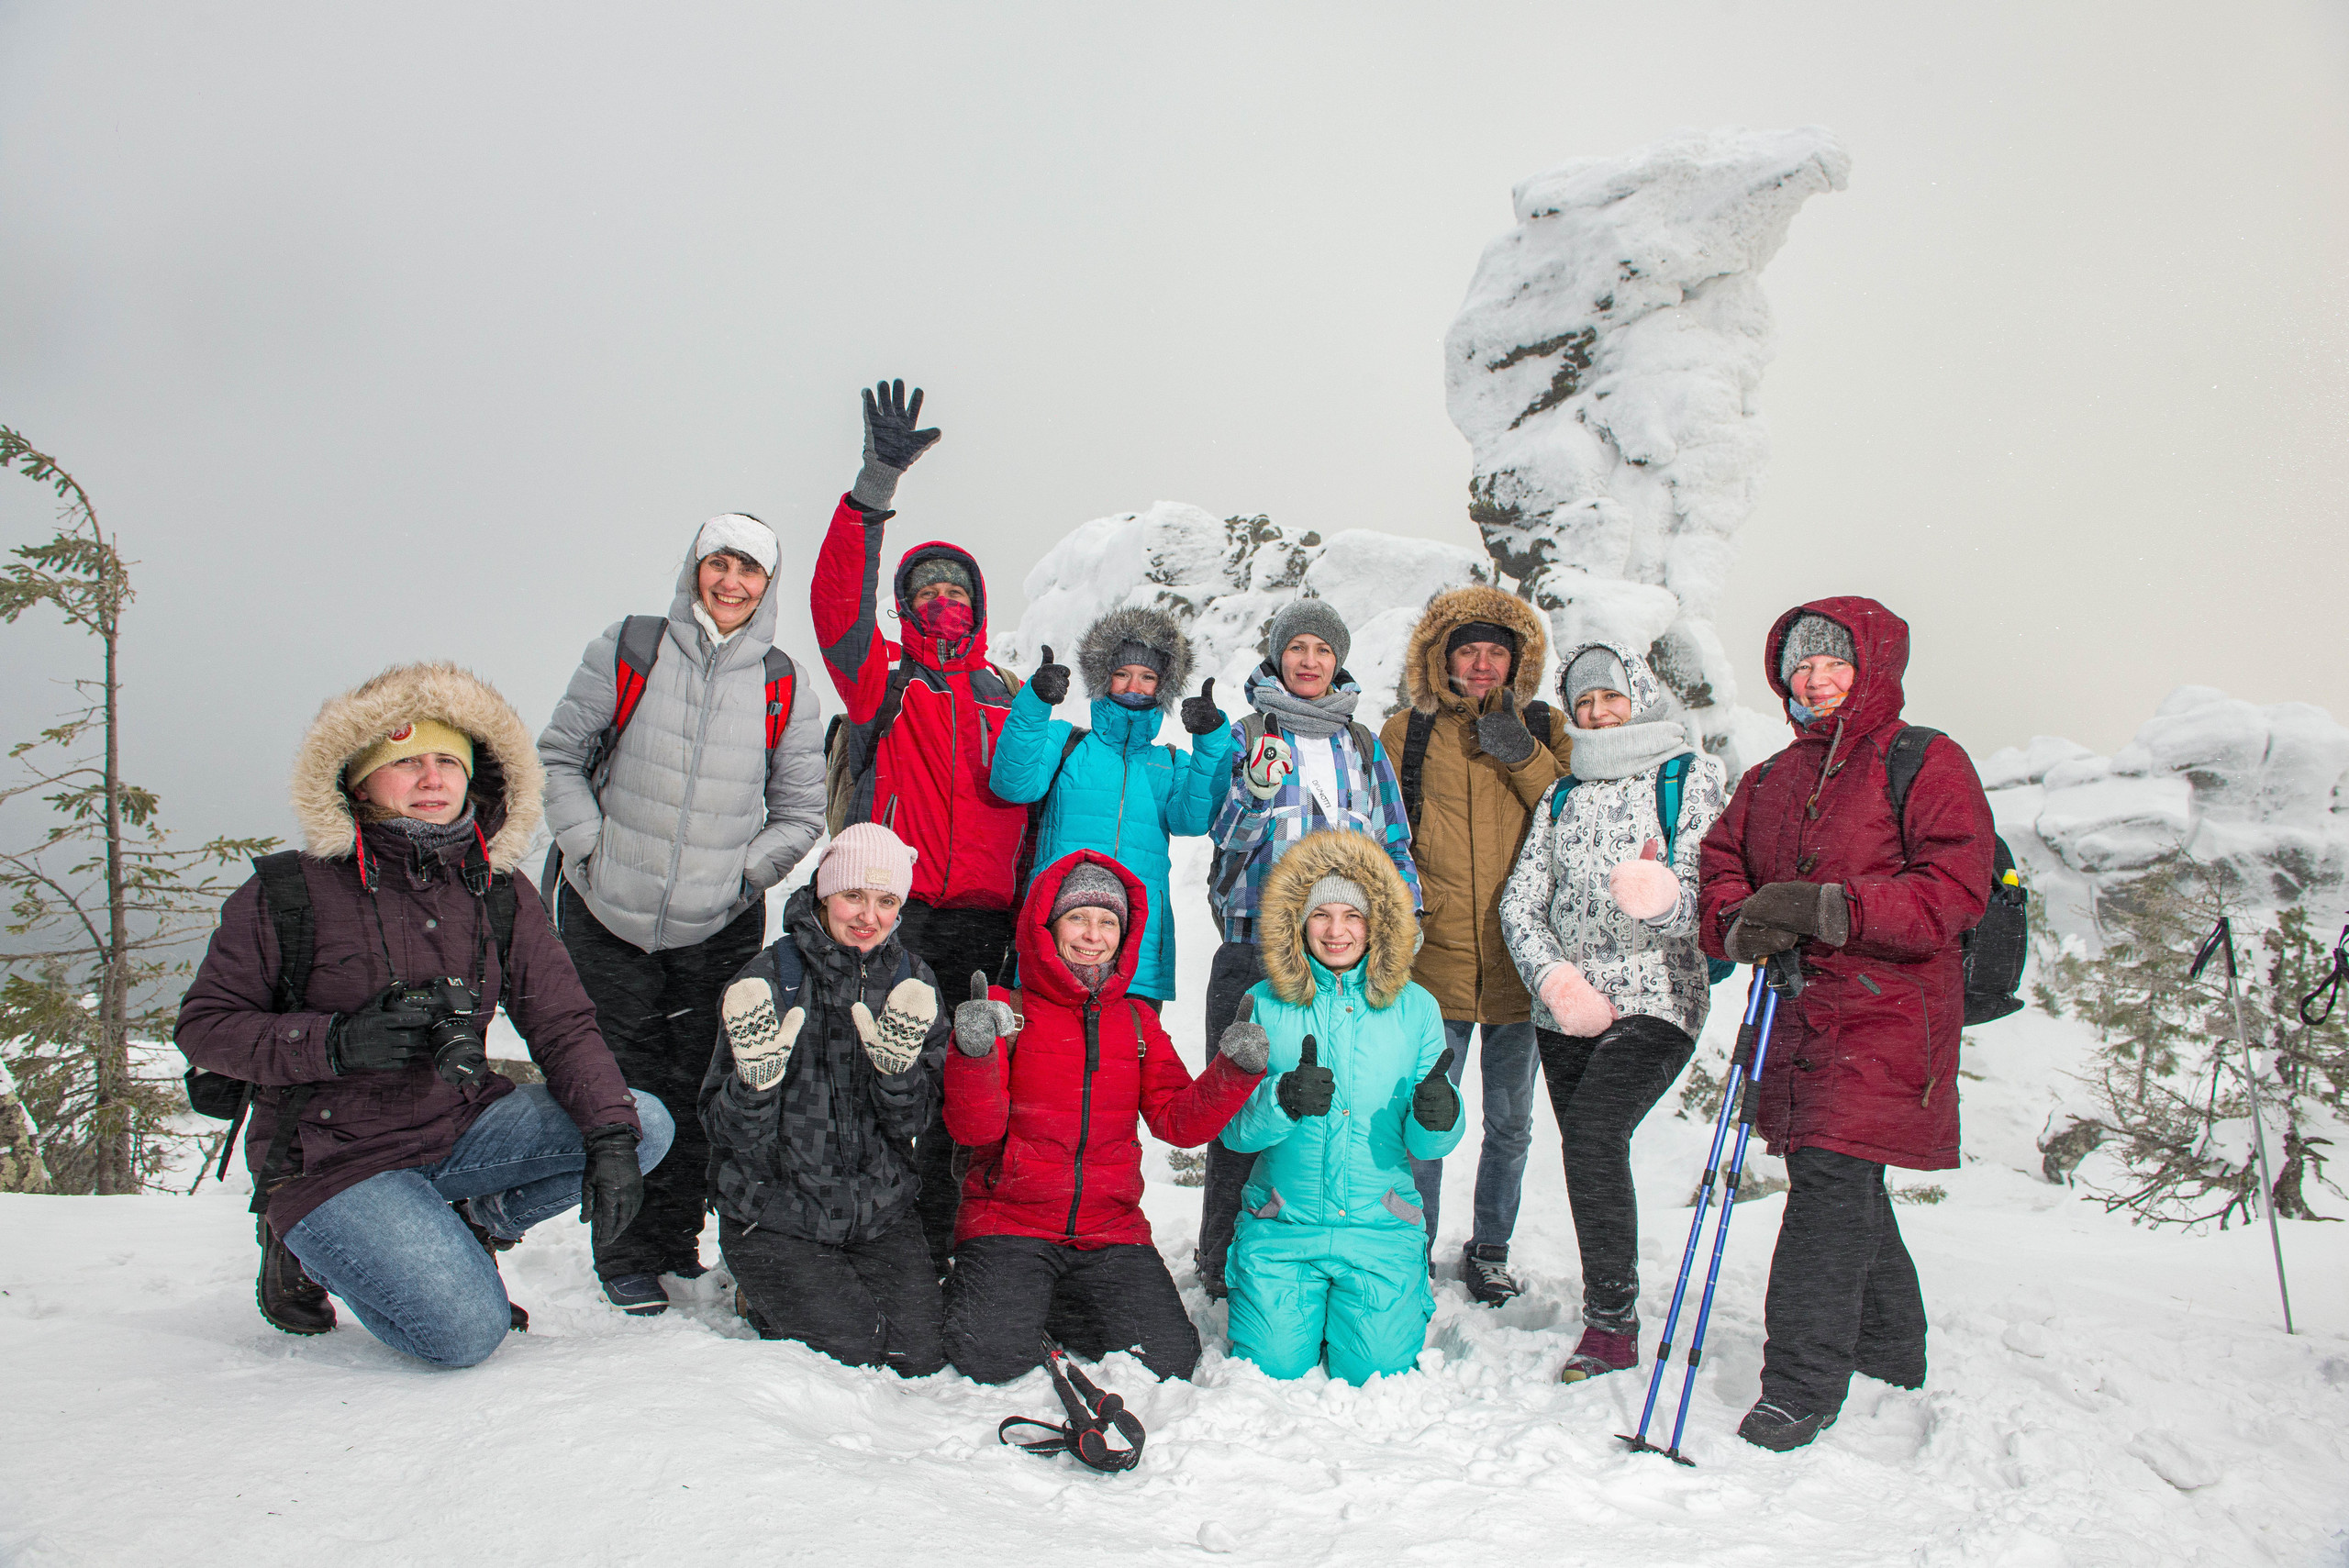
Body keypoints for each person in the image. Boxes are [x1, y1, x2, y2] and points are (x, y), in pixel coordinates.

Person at [177, 662, 666, 1368]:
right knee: (467, 1335)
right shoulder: (288, 889)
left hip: (461, 1125)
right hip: (333, 1156)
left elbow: (564, 1025)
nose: (432, 778)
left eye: (447, 760)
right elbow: (204, 1026)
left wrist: (611, 1139)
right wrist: (337, 1042)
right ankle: (298, 1244)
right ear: (359, 778)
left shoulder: (499, 889)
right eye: (406, 761)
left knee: (641, 1120)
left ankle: (474, 1218)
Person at [1697, 598, 1995, 1451]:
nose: (1815, 679)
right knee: (1844, 1177)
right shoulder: (1771, 779)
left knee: (1829, 1178)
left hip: (1891, 1011)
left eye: (1833, 663)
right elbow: (1721, 866)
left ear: (1871, 669)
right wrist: (1736, 919)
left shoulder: (1925, 760)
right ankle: (1894, 1348)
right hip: (1799, 1014)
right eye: (1801, 665)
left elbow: (1953, 890)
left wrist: (1832, 907)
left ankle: (1800, 1383)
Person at [540, 509, 826, 1314]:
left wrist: (744, 876)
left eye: (750, 571)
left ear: (769, 586)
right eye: (719, 563)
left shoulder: (781, 681)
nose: (731, 582)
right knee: (616, 1086)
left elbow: (801, 810)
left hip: (718, 924)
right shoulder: (631, 647)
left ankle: (676, 1241)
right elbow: (560, 754)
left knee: (704, 1082)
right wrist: (588, 846)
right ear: (695, 566)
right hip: (604, 914)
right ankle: (621, 1253)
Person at [811, 378, 1027, 1268]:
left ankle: (943, 1240)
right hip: (896, 920)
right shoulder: (884, 681)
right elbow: (835, 613)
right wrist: (872, 492)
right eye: (926, 588)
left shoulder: (1004, 696)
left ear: (978, 606)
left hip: (987, 925)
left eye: (957, 588)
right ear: (906, 604)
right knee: (879, 1077)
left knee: (965, 1089)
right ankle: (866, 1234)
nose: (944, 599)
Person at [941, 851, 1264, 1384]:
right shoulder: (1005, 1007)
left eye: (1108, 922)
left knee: (1167, 1362)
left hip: (1110, 1231)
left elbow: (1179, 1123)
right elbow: (975, 1131)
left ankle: (1054, 1299)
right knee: (989, 1358)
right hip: (1010, 1221)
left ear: (1124, 934)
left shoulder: (1136, 1021)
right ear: (1047, 926)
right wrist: (975, 1052)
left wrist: (1234, 1070)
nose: (1093, 935)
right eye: (1078, 917)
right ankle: (1016, 1297)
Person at [1498, 640, 1727, 1382]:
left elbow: (1710, 889)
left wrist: (1665, 903)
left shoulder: (1688, 776)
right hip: (1566, 1005)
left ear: (1640, 694)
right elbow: (1523, 902)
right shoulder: (1560, 794)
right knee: (1589, 1153)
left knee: (1596, 1130)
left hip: (1660, 993)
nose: (1597, 712)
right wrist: (1555, 979)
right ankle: (1610, 1304)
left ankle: (1611, 1323)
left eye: (1609, 696)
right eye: (1584, 700)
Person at [1197, 600, 1420, 1297]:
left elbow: (1393, 842)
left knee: (1329, 1100)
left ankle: (1319, 1245)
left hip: (1339, 957)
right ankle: (1221, 1255)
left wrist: (1402, 923)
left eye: (1323, 649)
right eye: (1297, 646)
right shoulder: (1246, 733)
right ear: (1276, 656)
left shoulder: (1363, 745)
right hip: (1255, 944)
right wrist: (1257, 790)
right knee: (1241, 1102)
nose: (1310, 660)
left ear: (1338, 661)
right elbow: (1223, 834)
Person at [1379, 585, 1570, 1303]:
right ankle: (1412, 1244)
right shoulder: (1407, 732)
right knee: (1427, 1111)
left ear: (1516, 659)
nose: (1483, 663)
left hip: (1525, 961)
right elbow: (1383, 832)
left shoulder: (1546, 726)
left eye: (1497, 651)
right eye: (1469, 649)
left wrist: (1525, 756)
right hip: (1436, 961)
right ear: (1443, 657)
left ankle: (1490, 1246)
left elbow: (1574, 814)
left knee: (1511, 1122)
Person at [703, 824, 949, 1376]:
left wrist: (897, 1075)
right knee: (855, 1348)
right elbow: (724, 1130)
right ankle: (757, 1290)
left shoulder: (913, 982)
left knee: (919, 1355)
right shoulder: (770, 978)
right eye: (853, 895)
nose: (869, 916)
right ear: (823, 894)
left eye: (886, 901)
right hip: (775, 1212)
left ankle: (832, 1286)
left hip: (877, 1212)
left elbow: (917, 1119)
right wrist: (755, 1083)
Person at [1219, 829, 1461, 1383]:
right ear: (1297, 923)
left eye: (1352, 916)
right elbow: (1233, 1130)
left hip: (1379, 1228)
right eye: (1320, 914)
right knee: (1269, 1368)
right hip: (1284, 1225)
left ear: (1376, 923)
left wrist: (1439, 1117)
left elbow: (1429, 1144)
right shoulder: (1261, 1002)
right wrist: (1279, 1100)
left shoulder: (1416, 1007)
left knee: (1373, 1370)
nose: (1336, 931)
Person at [988, 608, 1235, 1010]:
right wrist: (1033, 704)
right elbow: (1013, 784)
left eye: (1149, 676)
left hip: (1138, 947)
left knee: (1132, 1061)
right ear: (1104, 676)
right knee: (1044, 1061)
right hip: (1057, 939)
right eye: (1123, 673)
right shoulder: (1066, 743)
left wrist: (1212, 740)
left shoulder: (1170, 763)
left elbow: (1193, 819)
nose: (1134, 685)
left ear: (1163, 688)